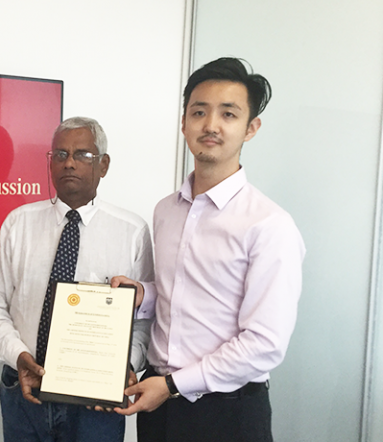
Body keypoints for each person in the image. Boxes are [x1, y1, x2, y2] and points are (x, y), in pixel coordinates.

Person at [112, 58, 305, 442]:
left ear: (251, 128)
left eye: (228, 114)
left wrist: (173, 385)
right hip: (159, 404)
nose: (211, 125)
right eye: (199, 112)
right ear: (184, 123)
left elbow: (264, 344)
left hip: (228, 411)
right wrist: (143, 294)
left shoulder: (269, 224)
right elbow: (187, 293)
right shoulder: (166, 211)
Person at [0, 116, 154, 442]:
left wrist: (123, 366)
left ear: (103, 165)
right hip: (24, 390)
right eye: (60, 154)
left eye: (82, 154)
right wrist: (18, 355)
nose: (69, 163)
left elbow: (144, 318)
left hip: (96, 400)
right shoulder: (18, 224)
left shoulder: (132, 231)